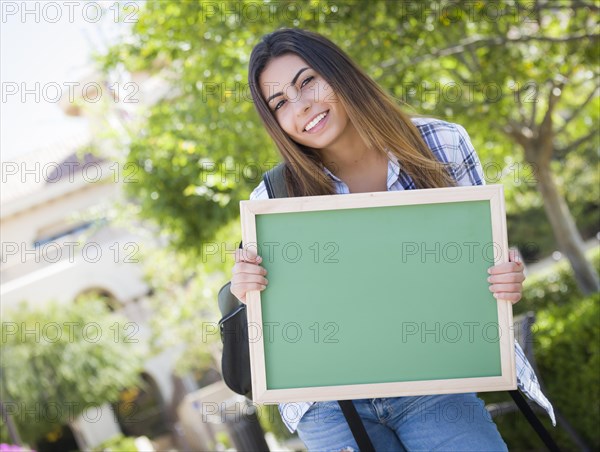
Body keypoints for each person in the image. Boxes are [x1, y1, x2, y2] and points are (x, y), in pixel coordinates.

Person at [229, 28, 549, 451]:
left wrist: (504, 279)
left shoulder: (442, 145)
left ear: (339, 73)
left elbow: (481, 274)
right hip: (329, 401)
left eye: (307, 81)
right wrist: (245, 293)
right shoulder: (272, 199)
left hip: (428, 376)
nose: (301, 105)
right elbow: (279, 329)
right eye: (280, 103)